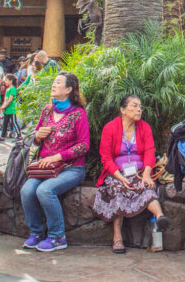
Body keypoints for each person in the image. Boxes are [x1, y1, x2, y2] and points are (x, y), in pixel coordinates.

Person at [21, 72, 90, 252]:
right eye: (54, 82)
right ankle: (36, 232)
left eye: (58, 83)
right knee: (27, 190)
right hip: (45, 167)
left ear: (68, 89)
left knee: (45, 190)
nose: (53, 85)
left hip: (71, 168)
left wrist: (57, 157)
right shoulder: (47, 110)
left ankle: (57, 236)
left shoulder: (78, 114)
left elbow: (84, 145)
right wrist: (38, 136)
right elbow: (35, 139)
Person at [94, 95, 170, 254]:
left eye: (140, 106)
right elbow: (106, 158)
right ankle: (117, 237)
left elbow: (150, 152)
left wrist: (147, 174)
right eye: (134, 106)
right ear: (122, 110)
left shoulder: (144, 127)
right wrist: (120, 177)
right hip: (117, 173)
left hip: (140, 171)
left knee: (147, 187)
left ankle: (160, 217)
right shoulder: (110, 127)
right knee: (118, 189)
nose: (139, 109)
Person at [0, 74, 21, 139]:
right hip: (7, 109)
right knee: (5, 123)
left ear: (11, 81)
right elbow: (5, 100)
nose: (5, 81)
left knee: (14, 122)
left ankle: (19, 135)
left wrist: (3, 106)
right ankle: (2, 135)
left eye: (6, 80)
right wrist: (3, 106)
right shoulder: (8, 89)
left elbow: (10, 100)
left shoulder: (13, 89)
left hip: (12, 109)